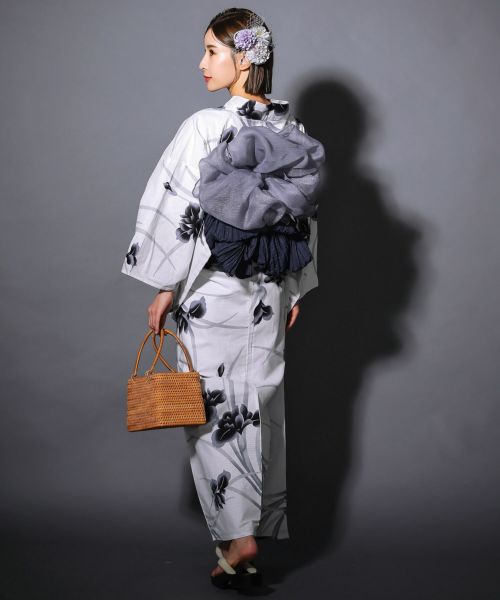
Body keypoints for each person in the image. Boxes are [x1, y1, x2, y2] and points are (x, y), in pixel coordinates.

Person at [121, 7, 325, 590]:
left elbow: (182, 209)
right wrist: (295, 284)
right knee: (258, 408)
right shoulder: (292, 130)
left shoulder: (205, 127)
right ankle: (245, 546)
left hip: (213, 289)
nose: (202, 63)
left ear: (243, 59)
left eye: (212, 51)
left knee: (211, 411)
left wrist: (166, 286)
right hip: (269, 290)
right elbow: (303, 215)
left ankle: (238, 536)